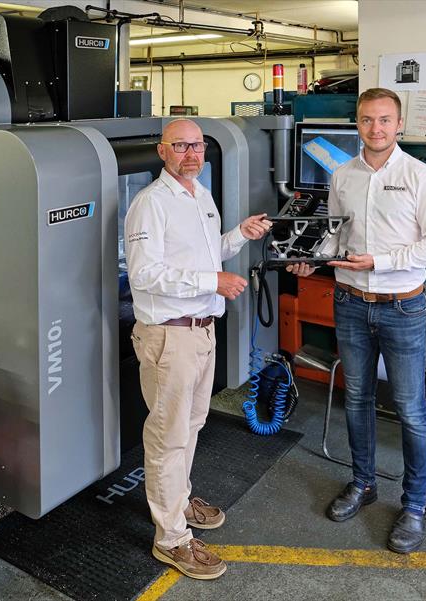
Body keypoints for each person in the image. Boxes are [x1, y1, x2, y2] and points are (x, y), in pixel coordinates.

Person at [288, 88, 426, 553]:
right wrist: (308, 259)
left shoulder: (422, 177)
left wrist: (379, 261)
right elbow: (337, 238)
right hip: (351, 303)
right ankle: (363, 484)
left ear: (399, 125)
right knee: (356, 398)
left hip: (402, 306)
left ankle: (416, 504)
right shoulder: (342, 175)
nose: (375, 128)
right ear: (356, 124)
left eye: (384, 120)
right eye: (366, 120)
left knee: (410, 410)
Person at [124, 118, 271, 580]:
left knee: (191, 424)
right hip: (169, 336)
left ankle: (180, 501)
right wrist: (213, 281)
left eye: (198, 145)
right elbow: (143, 275)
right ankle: (170, 539)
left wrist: (238, 237)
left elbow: (205, 256)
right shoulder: (150, 204)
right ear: (162, 151)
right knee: (168, 436)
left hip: (201, 331)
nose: (192, 153)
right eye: (181, 146)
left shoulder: (200, 195)